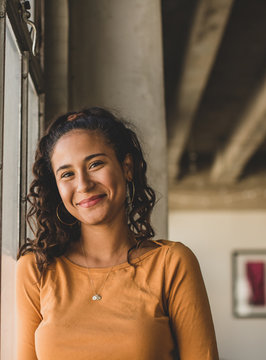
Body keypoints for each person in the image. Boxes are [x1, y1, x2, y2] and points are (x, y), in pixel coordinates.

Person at [16, 107, 219, 360]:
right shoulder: (37, 270)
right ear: (56, 187)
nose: (83, 184)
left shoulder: (172, 263)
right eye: (67, 174)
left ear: (127, 168)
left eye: (95, 164)